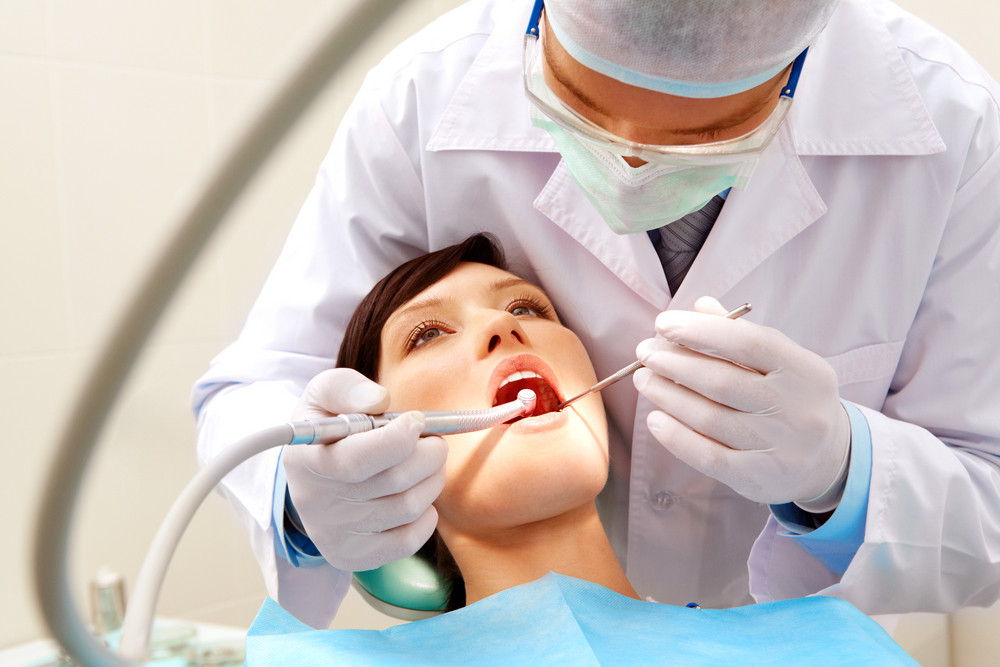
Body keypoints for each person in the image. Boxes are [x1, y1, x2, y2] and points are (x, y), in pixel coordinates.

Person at [192, 0, 1000, 628]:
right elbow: (264, 391)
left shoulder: (953, 130)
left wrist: (842, 469)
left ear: (796, 70)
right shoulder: (423, 98)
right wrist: (306, 501)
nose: (632, 163)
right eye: (580, 105)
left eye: (707, 135)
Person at [243, 234, 916, 665]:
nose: (503, 327)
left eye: (529, 310)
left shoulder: (826, 646)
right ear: (376, 443)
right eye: (427, 334)